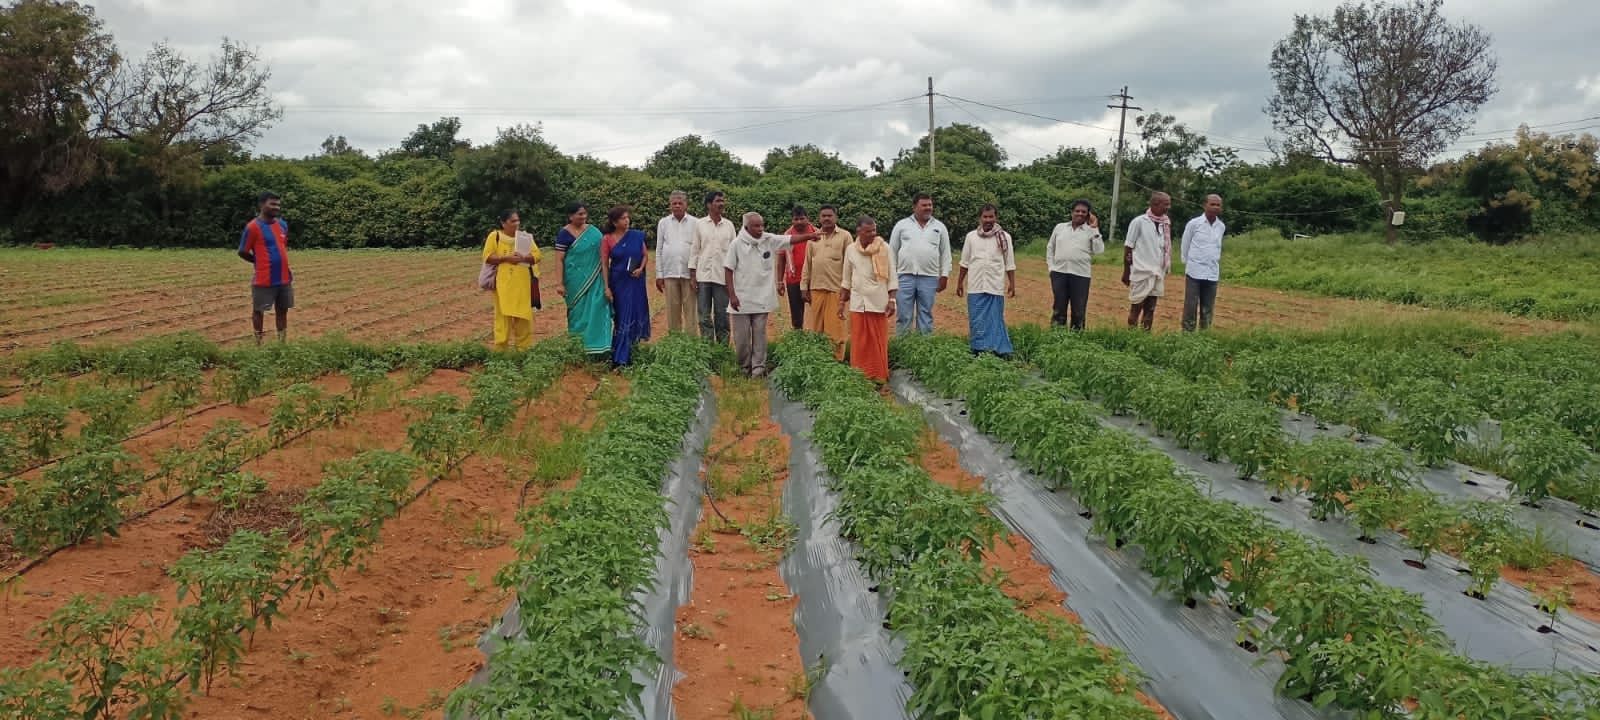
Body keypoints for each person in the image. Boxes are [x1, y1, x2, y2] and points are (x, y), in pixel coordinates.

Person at [723, 212, 819, 377]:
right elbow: (728, 270)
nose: (761, 229)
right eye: (756, 226)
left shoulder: (769, 239)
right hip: (741, 299)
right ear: (746, 227)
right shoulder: (736, 244)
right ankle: (744, 367)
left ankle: (758, 369)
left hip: (762, 298)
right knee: (742, 338)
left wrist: (811, 236)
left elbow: (790, 240)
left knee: (760, 335)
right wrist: (732, 295)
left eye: (762, 225)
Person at [840, 216, 897, 385]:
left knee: (877, 341)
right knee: (859, 342)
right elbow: (846, 277)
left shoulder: (884, 248)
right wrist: (841, 303)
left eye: (874, 230)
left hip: (878, 301)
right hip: (858, 302)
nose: (873, 234)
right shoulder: (851, 249)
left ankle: (879, 377)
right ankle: (860, 377)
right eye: (868, 231)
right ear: (859, 232)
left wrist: (892, 300)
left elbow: (892, 276)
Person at [551, 202, 613, 357]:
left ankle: (600, 348)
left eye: (585, 213)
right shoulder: (564, 234)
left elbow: (604, 254)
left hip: (597, 280)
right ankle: (578, 348)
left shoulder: (594, 232)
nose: (583, 216)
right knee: (577, 313)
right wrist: (559, 283)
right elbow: (559, 260)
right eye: (579, 214)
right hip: (574, 282)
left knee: (598, 309)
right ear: (570, 216)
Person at [956, 205, 1017, 357]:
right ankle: (978, 350)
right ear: (980, 218)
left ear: (996, 218)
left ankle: (998, 351)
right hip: (975, 286)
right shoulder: (971, 237)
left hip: (995, 286)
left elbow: (1009, 263)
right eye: (985, 217)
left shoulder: (1005, 237)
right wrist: (959, 283)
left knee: (995, 320)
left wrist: (1012, 284)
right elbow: (965, 262)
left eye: (991, 217)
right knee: (977, 321)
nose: (988, 220)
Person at [888, 192, 950, 335]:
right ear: (914, 207)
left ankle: (924, 347)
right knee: (904, 315)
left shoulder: (939, 227)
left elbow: (945, 253)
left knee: (925, 315)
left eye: (930, 205)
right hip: (904, 277)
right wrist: (892, 277)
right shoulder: (901, 225)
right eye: (924, 205)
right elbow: (891, 252)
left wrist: (944, 275)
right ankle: (903, 348)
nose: (928, 208)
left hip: (929, 277)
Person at [237, 192, 294, 346]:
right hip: (263, 278)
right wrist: (258, 262)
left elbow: (282, 246)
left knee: (282, 310)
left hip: (283, 277)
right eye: (272, 204)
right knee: (258, 311)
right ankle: (258, 343)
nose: (277, 207)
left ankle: (282, 343)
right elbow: (242, 251)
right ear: (262, 205)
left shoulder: (282, 225)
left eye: (278, 204)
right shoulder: (253, 227)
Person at [481, 209, 538, 351]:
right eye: (513, 221)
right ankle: (501, 352)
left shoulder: (525, 238)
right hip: (503, 284)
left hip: (523, 283)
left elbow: (537, 255)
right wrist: (506, 258)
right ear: (503, 223)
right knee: (503, 318)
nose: (517, 223)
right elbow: (487, 256)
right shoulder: (495, 236)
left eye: (518, 220)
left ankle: (524, 351)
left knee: (524, 318)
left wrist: (524, 258)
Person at [800, 205, 852, 361]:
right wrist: (804, 287)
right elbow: (807, 264)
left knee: (835, 328)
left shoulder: (845, 236)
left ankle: (836, 361)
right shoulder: (813, 238)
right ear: (819, 218)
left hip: (836, 290)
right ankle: (819, 359)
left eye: (830, 215)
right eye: (823, 216)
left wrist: (847, 288)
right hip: (816, 289)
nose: (827, 218)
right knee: (816, 328)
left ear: (835, 217)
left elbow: (850, 264)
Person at [602, 205, 651, 365]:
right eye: (623, 218)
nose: (627, 220)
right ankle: (619, 356)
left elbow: (645, 255)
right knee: (621, 316)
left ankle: (631, 351)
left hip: (635, 281)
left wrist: (641, 268)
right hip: (618, 282)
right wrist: (606, 287)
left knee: (635, 313)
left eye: (627, 217)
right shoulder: (607, 239)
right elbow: (604, 264)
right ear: (615, 222)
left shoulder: (636, 236)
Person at [1045, 199, 1102, 331]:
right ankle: (1056, 334)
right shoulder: (1060, 227)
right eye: (1077, 211)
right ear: (1072, 212)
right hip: (1059, 273)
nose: (1080, 214)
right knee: (1059, 307)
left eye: (1084, 212)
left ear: (1088, 215)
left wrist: (1095, 228)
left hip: (1081, 275)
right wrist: (1051, 267)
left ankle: (1077, 338)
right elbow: (1050, 248)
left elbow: (1099, 250)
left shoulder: (1091, 231)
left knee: (1079, 310)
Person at [690, 191, 737, 344]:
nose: (721, 204)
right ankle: (707, 347)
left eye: (722, 201)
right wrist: (692, 275)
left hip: (722, 277)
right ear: (709, 205)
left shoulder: (729, 225)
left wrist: (734, 278)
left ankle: (722, 348)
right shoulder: (700, 224)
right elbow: (695, 250)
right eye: (717, 201)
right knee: (703, 315)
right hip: (703, 277)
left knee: (722, 315)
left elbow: (734, 252)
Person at [1122, 192, 1173, 332]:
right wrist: (1126, 272)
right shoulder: (1139, 222)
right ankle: (1131, 338)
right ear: (1155, 204)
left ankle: (1145, 338)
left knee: (1150, 309)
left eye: (1169, 204)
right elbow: (1128, 247)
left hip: (1157, 272)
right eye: (1166, 204)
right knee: (1136, 308)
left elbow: (1164, 248)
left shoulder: (1165, 224)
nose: (1168, 207)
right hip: (1140, 272)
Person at [1181, 195, 1226, 332]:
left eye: (1218, 205)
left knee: (1208, 307)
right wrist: (1187, 263)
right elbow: (1185, 244)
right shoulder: (1194, 224)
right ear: (1204, 205)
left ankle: (1204, 335)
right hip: (1194, 271)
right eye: (1212, 204)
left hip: (1212, 273)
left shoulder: (1221, 226)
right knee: (1191, 306)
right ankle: (1187, 334)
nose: (1215, 207)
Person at [655, 191, 698, 333]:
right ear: (670, 206)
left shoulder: (695, 223)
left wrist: (695, 273)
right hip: (670, 273)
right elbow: (659, 249)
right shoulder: (663, 223)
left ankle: (691, 343)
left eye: (680, 203)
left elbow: (698, 249)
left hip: (689, 274)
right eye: (674, 203)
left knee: (691, 311)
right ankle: (675, 341)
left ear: (686, 205)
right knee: (672, 311)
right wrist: (659, 274)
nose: (677, 206)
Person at [775, 205, 814, 331]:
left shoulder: (816, 233)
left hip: (814, 279)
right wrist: (780, 281)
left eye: (801, 218)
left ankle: (820, 340)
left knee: (819, 311)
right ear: (792, 220)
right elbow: (781, 260)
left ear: (807, 219)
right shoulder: (786, 236)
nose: (799, 222)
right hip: (793, 280)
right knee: (797, 316)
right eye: (796, 219)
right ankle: (799, 340)